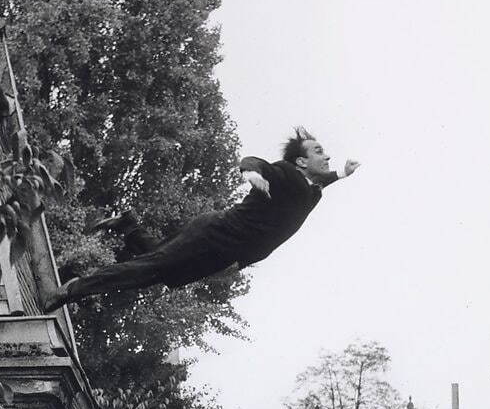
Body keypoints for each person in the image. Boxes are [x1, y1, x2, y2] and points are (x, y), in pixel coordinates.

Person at [44, 128, 360, 311]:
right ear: (302, 161)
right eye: (319, 151)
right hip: (215, 234)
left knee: (160, 270)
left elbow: (323, 179)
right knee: (151, 269)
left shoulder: (311, 192)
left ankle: (128, 224)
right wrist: (250, 172)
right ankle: (71, 290)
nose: (327, 155)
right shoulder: (287, 174)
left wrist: (343, 173)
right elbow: (256, 161)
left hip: (227, 253)